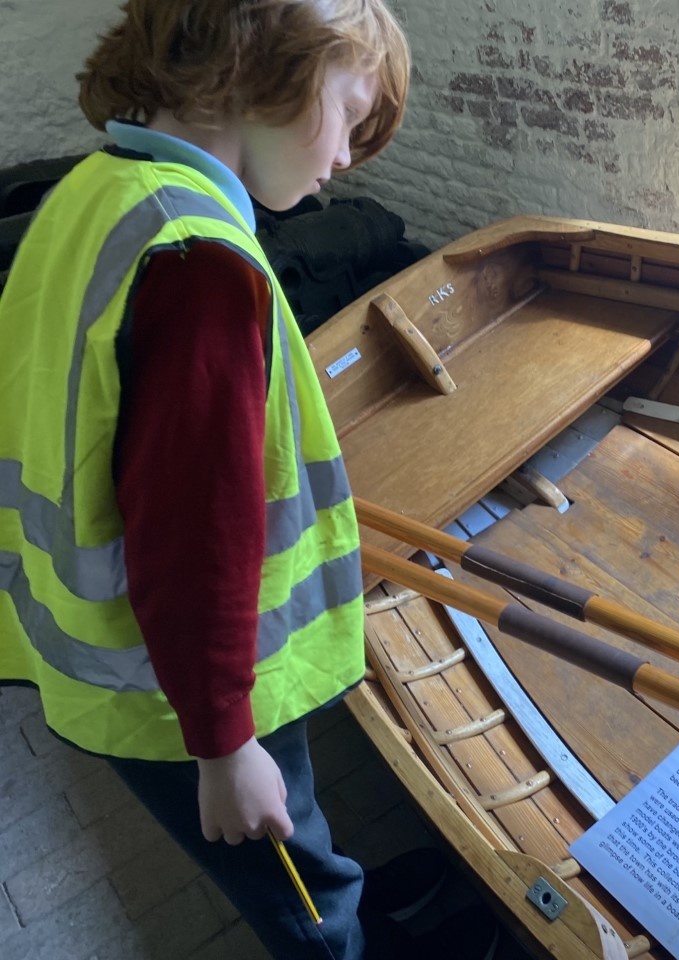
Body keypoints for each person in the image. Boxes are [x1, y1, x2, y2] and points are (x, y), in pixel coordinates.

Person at [0, 2, 499, 957]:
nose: (344, 158)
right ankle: (348, 939)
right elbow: (195, 536)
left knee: (292, 833)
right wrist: (225, 744)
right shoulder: (200, 265)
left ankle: (344, 891)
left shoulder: (100, 188)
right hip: (180, 684)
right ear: (267, 75)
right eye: (348, 116)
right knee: (283, 870)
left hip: (125, 650)